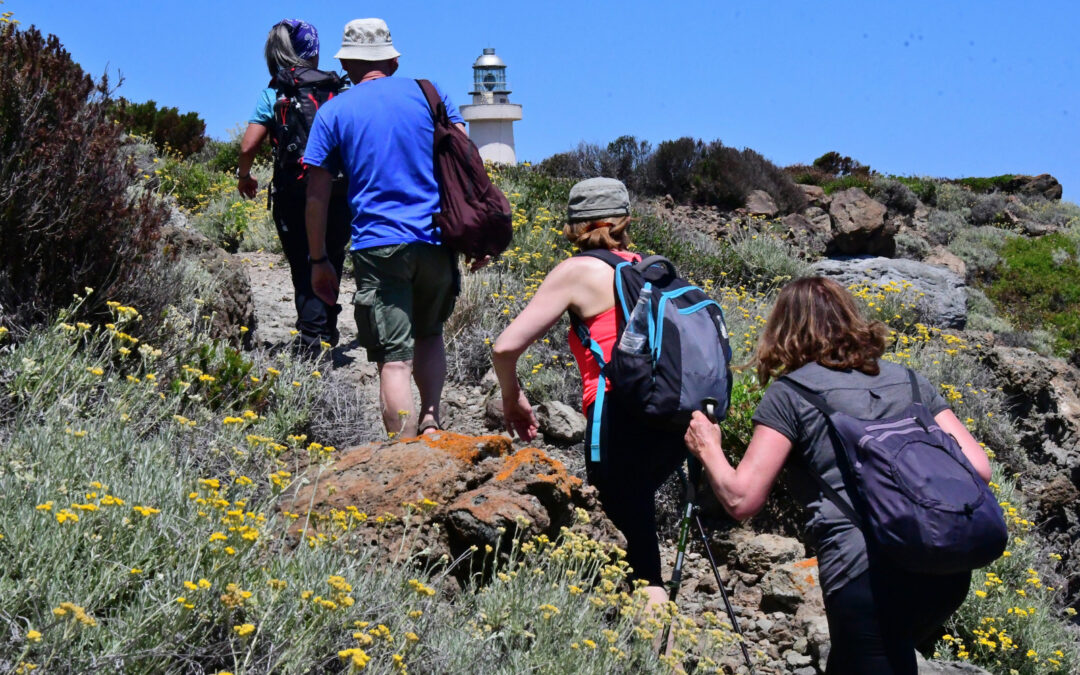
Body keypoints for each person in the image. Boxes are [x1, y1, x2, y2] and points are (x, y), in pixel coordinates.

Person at [683, 276, 993, 674]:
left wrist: (708, 447)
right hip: (945, 565)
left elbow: (742, 499)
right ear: (851, 318)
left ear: (783, 329)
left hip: (867, 573)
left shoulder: (792, 393)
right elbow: (979, 469)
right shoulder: (911, 381)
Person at [493, 177, 685, 612]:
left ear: (571, 225)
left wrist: (511, 396)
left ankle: (649, 653)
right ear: (626, 221)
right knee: (632, 524)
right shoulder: (647, 268)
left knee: (637, 556)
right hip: (668, 418)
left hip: (617, 414)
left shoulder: (578, 270)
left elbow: (505, 347)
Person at [305, 18, 468, 437]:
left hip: (378, 245)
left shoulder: (334, 112)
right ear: (393, 60)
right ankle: (431, 423)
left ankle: (403, 453)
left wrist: (320, 259)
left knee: (394, 358)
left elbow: (317, 195)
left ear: (347, 65)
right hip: (435, 238)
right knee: (430, 334)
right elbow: (467, 159)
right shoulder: (430, 94)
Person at [236, 19, 351, 354]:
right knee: (332, 254)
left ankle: (313, 339)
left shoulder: (275, 91)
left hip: (295, 191)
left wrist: (245, 177)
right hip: (339, 190)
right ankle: (327, 328)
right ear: (313, 51)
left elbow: (247, 147)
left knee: (305, 261)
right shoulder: (336, 88)